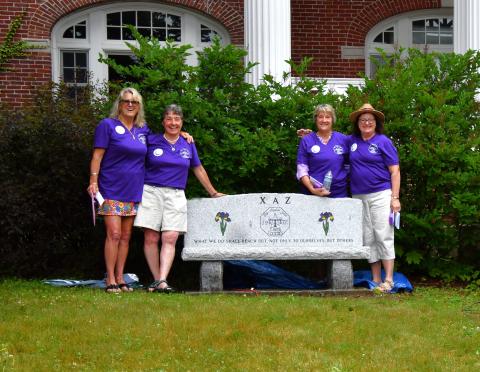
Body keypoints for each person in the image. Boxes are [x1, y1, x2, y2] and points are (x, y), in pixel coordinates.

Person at [134, 104, 224, 293]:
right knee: (151, 236)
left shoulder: (188, 143)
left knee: (170, 236)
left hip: (176, 194)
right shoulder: (152, 139)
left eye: (177, 119)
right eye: (169, 119)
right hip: (151, 191)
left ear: (182, 122)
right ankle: (158, 280)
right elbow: (133, 144)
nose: (173, 123)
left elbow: (197, 168)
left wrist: (213, 192)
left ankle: (162, 280)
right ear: (163, 122)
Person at [87, 87, 150, 293]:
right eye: (126, 101)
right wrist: (93, 181)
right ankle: (110, 279)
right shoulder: (108, 125)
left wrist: (183, 134)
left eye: (134, 102)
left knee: (125, 236)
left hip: (133, 190)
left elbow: (163, 142)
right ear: (119, 104)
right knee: (113, 234)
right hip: (110, 188)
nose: (130, 105)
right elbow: (97, 156)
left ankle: (121, 277)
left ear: (139, 106)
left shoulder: (144, 130)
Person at [348, 103, 401, 292]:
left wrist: (395, 198)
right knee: (368, 237)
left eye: (370, 120)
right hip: (359, 196)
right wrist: (309, 137)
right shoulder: (352, 141)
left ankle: (389, 280)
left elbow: (395, 171)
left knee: (383, 235)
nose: (367, 123)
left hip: (381, 195)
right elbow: (331, 143)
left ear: (376, 122)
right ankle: (376, 279)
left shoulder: (383, 141)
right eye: (363, 120)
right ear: (358, 123)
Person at [296, 104, 349, 198]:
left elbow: (350, 164)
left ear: (332, 120)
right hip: (312, 194)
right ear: (316, 119)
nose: (324, 120)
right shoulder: (307, 140)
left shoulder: (343, 139)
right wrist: (312, 189)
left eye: (328, 117)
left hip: (339, 194)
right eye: (320, 117)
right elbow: (302, 169)